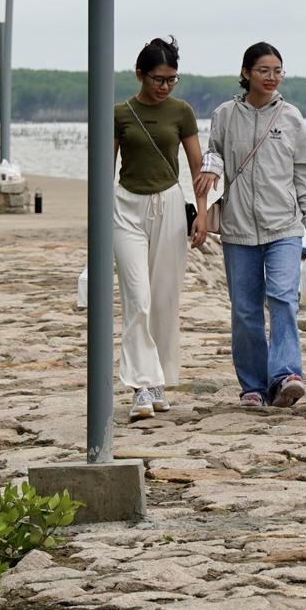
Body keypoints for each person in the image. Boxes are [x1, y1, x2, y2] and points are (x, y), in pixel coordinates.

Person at [196, 42, 306, 408]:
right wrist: (211, 170)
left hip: (283, 225)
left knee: (283, 298)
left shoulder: (292, 118)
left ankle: (285, 376)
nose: (271, 77)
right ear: (247, 72)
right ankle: (252, 385)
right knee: (245, 310)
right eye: (264, 70)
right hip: (237, 228)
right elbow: (212, 154)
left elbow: (305, 174)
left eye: (278, 70)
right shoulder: (224, 115)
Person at [112, 37, 209, 422]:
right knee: (137, 297)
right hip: (126, 207)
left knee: (165, 297)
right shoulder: (120, 113)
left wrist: (202, 212)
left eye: (171, 79)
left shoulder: (181, 112)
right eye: (158, 78)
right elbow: (106, 165)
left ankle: (159, 381)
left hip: (169, 204)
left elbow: (197, 167)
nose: (164, 86)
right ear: (140, 75)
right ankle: (141, 386)